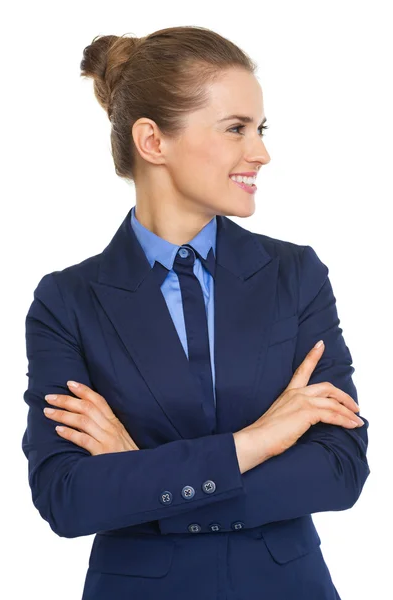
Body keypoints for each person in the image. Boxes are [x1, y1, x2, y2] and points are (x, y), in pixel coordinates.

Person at [21, 25, 370, 600]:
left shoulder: (295, 276)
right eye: (236, 129)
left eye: (259, 129)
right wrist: (258, 440)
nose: (261, 151)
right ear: (153, 141)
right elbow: (68, 496)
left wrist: (145, 479)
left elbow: (339, 468)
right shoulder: (68, 301)